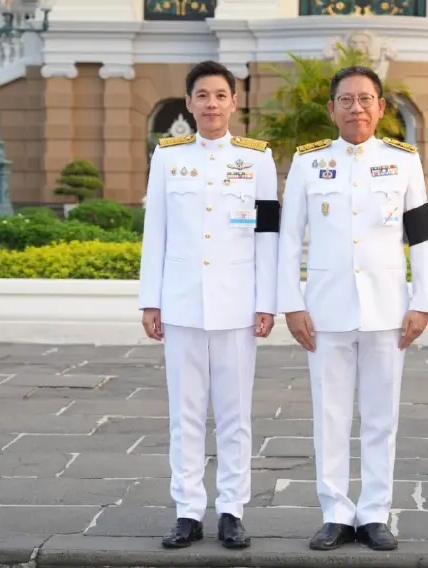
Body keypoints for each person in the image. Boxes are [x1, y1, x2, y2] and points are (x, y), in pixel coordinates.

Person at [277, 66, 428, 552]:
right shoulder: (308, 163)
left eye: (366, 99)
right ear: (331, 109)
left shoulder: (404, 161)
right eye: (346, 100)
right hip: (324, 310)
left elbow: (422, 238)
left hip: (388, 309)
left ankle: (373, 514)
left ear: (381, 108)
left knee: (380, 415)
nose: (356, 108)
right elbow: (288, 240)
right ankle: (335, 513)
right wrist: (291, 303)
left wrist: (423, 300)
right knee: (329, 413)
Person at [138, 60, 280, 551]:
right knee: (186, 413)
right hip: (181, 303)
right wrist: (149, 300)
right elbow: (154, 230)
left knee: (236, 413)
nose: (212, 104)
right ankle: (186, 511)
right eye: (203, 95)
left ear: (234, 102)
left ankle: (232, 510)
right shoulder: (169, 157)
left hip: (237, 305)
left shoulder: (259, 159)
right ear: (190, 102)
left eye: (221, 95)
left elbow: (268, 236)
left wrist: (268, 302)